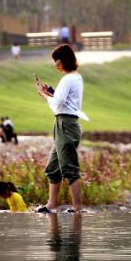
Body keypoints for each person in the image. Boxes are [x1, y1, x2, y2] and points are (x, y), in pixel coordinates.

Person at [34, 44, 88, 214]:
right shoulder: (76, 78)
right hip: (64, 123)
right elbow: (63, 101)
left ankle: (77, 207)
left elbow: (57, 104)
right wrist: (50, 93)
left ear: (64, 59)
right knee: (53, 167)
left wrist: (42, 94)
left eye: (56, 60)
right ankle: (51, 205)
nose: (55, 64)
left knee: (70, 168)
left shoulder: (68, 79)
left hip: (66, 124)